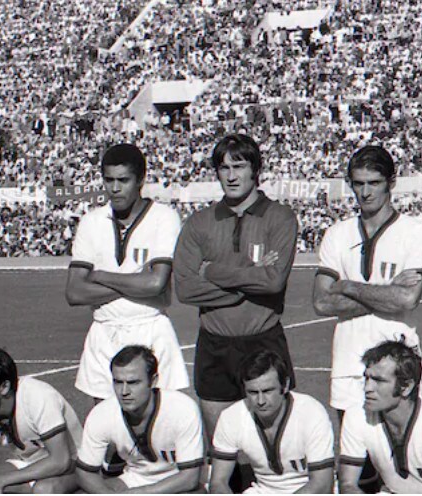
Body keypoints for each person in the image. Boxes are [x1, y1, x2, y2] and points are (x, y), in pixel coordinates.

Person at [173, 133, 299, 447]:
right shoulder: (199, 223)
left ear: (255, 169)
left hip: (263, 339)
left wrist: (211, 270)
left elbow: (273, 282)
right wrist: (247, 280)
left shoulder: (280, 217)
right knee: (222, 447)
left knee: (274, 442)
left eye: (239, 166)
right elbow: (185, 289)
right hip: (214, 344)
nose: (231, 175)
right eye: (224, 167)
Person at [313, 145, 422, 415]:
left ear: (391, 183)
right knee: (353, 455)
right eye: (358, 184)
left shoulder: (415, 232)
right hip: (348, 365)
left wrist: (348, 286)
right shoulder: (337, 234)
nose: (365, 192)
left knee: (404, 453)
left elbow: (407, 298)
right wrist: (388, 292)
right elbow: (321, 302)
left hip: (398, 363)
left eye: (374, 183)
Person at [66, 143, 189, 401]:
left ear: (141, 180)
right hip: (104, 331)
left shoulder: (164, 217)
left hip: (150, 329)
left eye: (123, 180)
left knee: (160, 421)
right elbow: (75, 292)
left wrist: (99, 275)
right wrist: (136, 279)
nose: (115, 188)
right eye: (109, 180)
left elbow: (156, 283)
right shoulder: (92, 221)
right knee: (106, 423)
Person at [338, 340, 422, 494]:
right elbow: (347, 485)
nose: (367, 388)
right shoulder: (356, 415)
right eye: (367, 378)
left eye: (379, 380)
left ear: (406, 387)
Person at [0, 346, 82, 493]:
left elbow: (60, 461)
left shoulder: (38, 396)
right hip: (29, 464)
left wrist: (1, 481)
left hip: (76, 463)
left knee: (44, 490)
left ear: (4, 387)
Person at [76, 346, 204, 493]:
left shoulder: (182, 409)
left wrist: (143, 493)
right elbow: (84, 472)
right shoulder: (101, 414)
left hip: (176, 481)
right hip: (135, 479)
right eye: (118, 382)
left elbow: (190, 478)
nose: (124, 392)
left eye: (133, 383)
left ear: (153, 381)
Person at [210, 350, 334, 494]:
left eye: (268, 391)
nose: (261, 401)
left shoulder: (311, 413)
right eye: (253, 393)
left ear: (285, 385)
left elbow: (322, 484)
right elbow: (218, 482)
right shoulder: (231, 417)